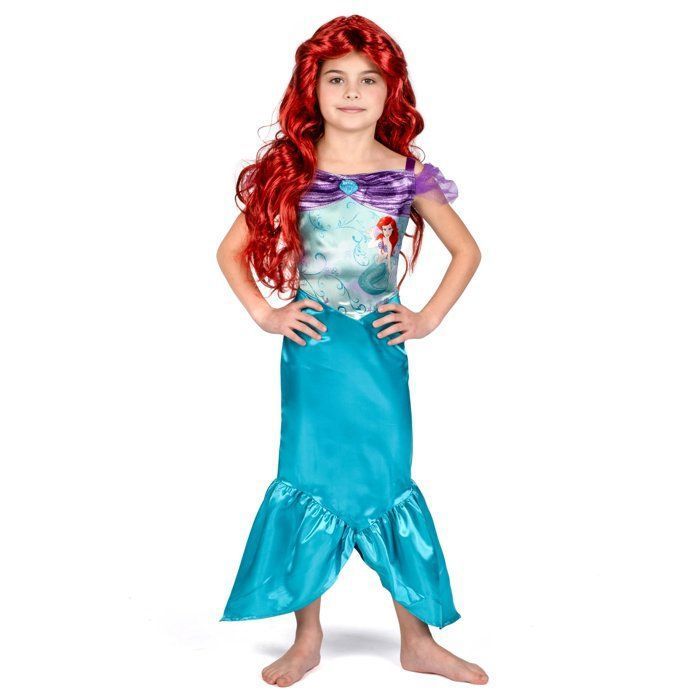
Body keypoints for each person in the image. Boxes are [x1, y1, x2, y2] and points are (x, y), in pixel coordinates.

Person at [215, 14, 486, 687]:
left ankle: (417, 640)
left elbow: (467, 250)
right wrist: (266, 313)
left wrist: (424, 318)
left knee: (389, 480)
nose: (352, 92)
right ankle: (307, 637)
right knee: (308, 478)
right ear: (312, 89)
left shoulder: (406, 173)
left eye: (368, 79)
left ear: (391, 90)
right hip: (315, 352)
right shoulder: (292, 168)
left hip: (377, 352)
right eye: (336, 79)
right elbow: (229, 252)